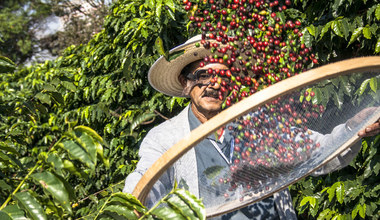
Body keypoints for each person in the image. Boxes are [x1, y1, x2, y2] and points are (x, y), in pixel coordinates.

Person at [123, 35, 380, 219]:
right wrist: (130, 204)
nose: (213, 84)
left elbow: (317, 154)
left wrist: (351, 129)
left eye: (222, 76)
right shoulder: (165, 137)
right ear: (185, 83)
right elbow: (147, 178)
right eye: (203, 75)